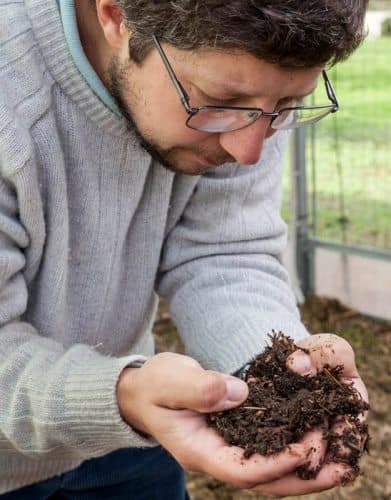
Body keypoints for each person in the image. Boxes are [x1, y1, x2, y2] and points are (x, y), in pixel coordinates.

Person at [0, 0, 369, 498]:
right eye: (219, 101)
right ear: (115, 15)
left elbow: (222, 252)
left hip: (125, 442)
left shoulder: (251, 93)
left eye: (285, 108)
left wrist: (277, 371)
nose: (249, 151)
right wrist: (120, 396)